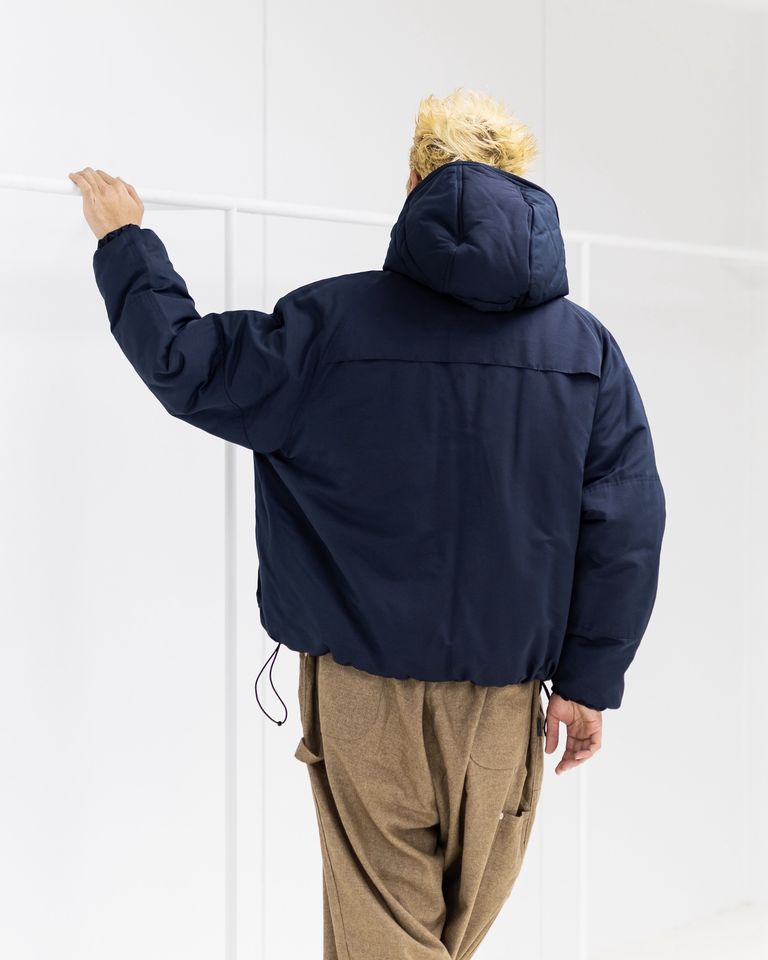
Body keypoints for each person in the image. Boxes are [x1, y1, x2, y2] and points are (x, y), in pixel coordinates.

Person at [70, 86, 666, 958]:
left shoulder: (328, 326)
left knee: (387, 941)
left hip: (363, 695)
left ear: (416, 180)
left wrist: (125, 244)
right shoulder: (585, 352)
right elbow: (627, 524)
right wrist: (589, 679)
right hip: (507, 703)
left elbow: (186, 362)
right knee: (431, 941)